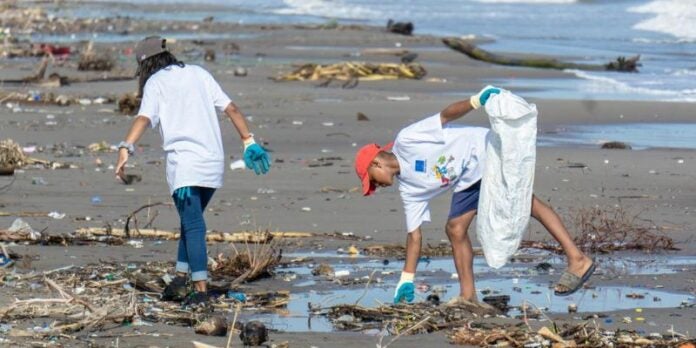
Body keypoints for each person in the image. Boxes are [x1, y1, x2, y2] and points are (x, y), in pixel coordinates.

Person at [354, 86, 595, 304]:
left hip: (487, 151)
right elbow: (414, 236)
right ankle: (468, 296)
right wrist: (406, 278)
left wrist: (475, 101)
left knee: (527, 203)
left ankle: (578, 259)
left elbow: (445, 116)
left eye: (372, 181)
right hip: (469, 178)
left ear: (376, 164)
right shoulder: (409, 189)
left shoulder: (408, 139)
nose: (377, 187)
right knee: (455, 228)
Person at [115, 36, 270, 307]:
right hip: (212, 163)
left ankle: (200, 291)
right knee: (191, 222)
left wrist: (126, 146)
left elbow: (144, 118)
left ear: (145, 64)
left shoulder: (155, 83)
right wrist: (249, 141)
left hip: (185, 166)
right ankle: (179, 278)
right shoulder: (199, 73)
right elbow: (231, 108)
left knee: (194, 225)